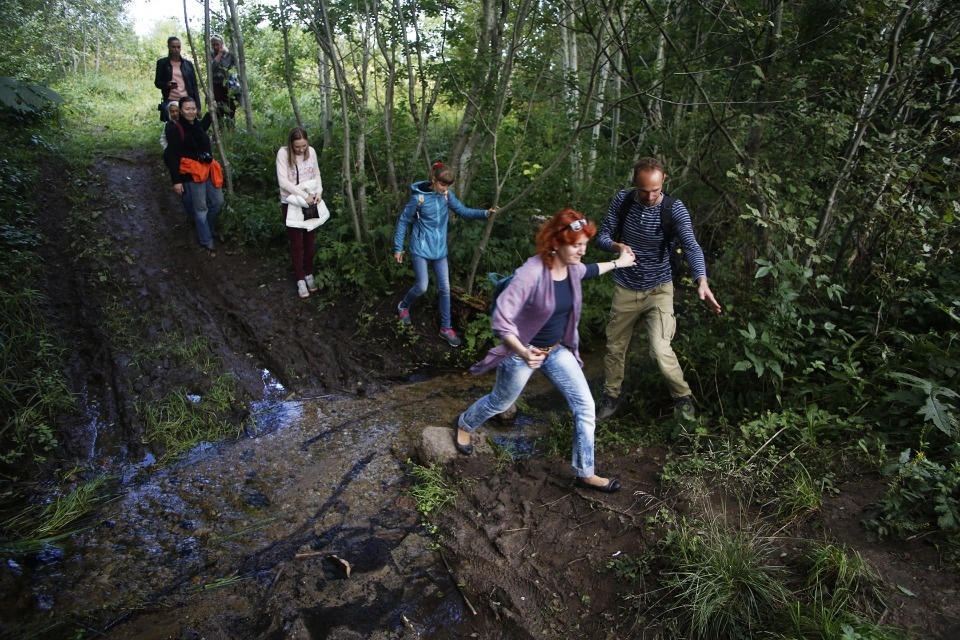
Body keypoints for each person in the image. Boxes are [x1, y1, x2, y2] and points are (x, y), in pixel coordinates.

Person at [453, 208, 637, 493]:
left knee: (585, 407)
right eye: (577, 245)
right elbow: (501, 321)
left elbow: (590, 270)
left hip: (556, 351)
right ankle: (464, 424)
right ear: (557, 242)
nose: (582, 251)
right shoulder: (530, 273)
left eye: (585, 245)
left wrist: (619, 262)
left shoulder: (572, 267)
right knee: (500, 403)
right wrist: (524, 353)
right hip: (521, 353)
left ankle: (585, 472)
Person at [594, 157, 722, 421]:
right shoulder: (624, 200)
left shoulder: (674, 209)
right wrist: (617, 247)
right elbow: (602, 236)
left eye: (655, 190)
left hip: (659, 289)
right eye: (644, 190)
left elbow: (690, 244)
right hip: (626, 287)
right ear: (635, 184)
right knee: (615, 347)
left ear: (663, 181)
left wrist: (702, 280)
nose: (650, 196)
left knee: (660, 349)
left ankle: (683, 399)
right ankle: (611, 396)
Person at [393, 162, 497, 347]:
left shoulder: (447, 197)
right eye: (443, 185)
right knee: (422, 286)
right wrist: (398, 247)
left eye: (448, 186)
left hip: (440, 249)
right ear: (434, 180)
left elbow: (463, 211)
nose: (445, 188)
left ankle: (446, 328)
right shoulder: (419, 199)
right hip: (421, 248)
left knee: (445, 288)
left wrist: (485, 214)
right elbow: (403, 221)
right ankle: (404, 305)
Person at [164, 96, 223, 253]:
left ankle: (207, 229)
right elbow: (172, 155)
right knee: (201, 207)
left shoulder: (196, 124)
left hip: (207, 169)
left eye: (193, 108)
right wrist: (176, 181)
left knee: (217, 202)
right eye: (187, 109)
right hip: (191, 174)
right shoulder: (175, 129)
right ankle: (206, 238)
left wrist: (211, 112)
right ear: (181, 111)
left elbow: (202, 126)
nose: (191, 112)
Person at [276, 127, 322, 299]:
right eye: (297, 147)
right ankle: (300, 279)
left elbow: (316, 173)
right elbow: (283, 182)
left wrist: (319, 192)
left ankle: (309, 273)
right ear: (291, 144)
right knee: (296, 243)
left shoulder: (312, 152)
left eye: (304, 146)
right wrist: (304, 196)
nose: (301, 150)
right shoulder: (283, 154)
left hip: (310, 202)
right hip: (291, 203)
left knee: (310, 240)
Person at [154, 36, 201, 122]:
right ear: (169, 47)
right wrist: (167, 85)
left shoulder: (188, 64)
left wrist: (198, 107)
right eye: (174, 47)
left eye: (178, 47)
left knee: (189, 125)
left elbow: (194, 86)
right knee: (173, 126)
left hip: (186, 98)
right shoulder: (162, 63)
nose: (176, 49)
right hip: (171, 99)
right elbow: (157, 82)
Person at [209, 34, 238, 121]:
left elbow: (236, 63)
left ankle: (231, 125)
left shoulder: (228, 55)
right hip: (215, 84)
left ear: (221, 44)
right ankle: (220, 127)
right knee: (219, 106)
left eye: (217, 44)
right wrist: (220, 53)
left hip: (228, 84)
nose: (215, 46)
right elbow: (212, 67)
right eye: (213, 44)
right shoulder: (210, 55)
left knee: (230, 105)